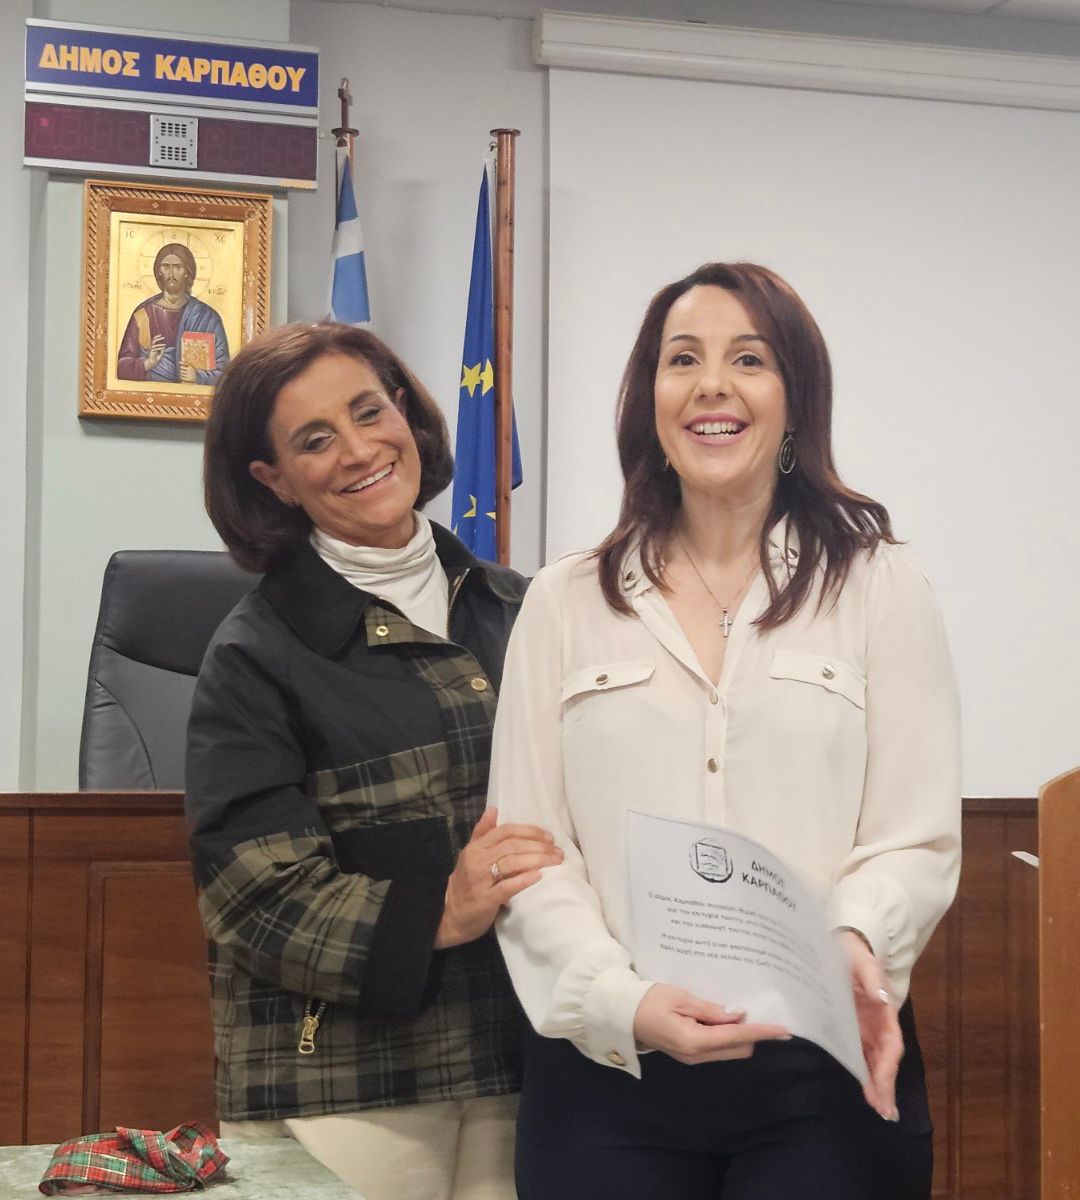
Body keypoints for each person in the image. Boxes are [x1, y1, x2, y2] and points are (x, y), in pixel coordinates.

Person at [489, 262, 961, 1199]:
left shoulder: (881, 590)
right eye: (683, 360)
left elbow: (914, 839)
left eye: (749, 359)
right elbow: (530, 852)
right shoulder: (564, 600)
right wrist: (623, 1000)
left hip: (821, 1067)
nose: (713, 384)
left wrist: (855, 938)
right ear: (650, 399)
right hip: (610, 1072)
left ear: (795, 400)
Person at [185, 322, 561, 1200]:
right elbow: (252, 890)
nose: (359, 450)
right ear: (272, 479)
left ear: (405, 413)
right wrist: (440, 908)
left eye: (368, 412)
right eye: (315, 440)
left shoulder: (530, 610)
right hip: (347, 1081)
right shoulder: (254, 654)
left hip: (526, 1054)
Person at [117, 242, 229, 385]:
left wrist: (198, 376)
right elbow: (121, 367)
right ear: (159, 272)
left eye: (177, 267)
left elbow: (225, 373)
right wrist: (147, 363)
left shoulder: (207, 317)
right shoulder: (143, 315)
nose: (171, 274)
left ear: (187, 272)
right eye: (166, 267)